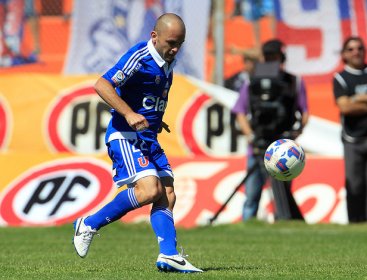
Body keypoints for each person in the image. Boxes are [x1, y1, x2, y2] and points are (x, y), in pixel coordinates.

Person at [72, 13, 202, 273]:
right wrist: (130, 114)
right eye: (171, 42)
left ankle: (169, 255)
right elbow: (103, 84)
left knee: (167, 193)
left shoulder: (168, 63)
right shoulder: (140, 57)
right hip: (125, 135)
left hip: (147, 136)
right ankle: (88, 224)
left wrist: (156, 121)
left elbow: (149, 98)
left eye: (180, 44)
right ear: (154, 36)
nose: (175, 49)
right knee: (149, 190)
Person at [232, 39, 309, 221]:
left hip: (284, 150)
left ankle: (283, 224)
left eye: (274, 57)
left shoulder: (294, 82)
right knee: (251, 195)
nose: (271, 61)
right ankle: (247, 225)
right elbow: (240, 112)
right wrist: (250, 136)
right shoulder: (251, 82)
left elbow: (304, 112)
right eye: (268, 57)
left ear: (281, 57)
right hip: (257, 146)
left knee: (282, 196)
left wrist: (296, 132)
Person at [332, 36, 367, 223]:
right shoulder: (340, 78)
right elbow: (345, 107)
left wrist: (355, 98)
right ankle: (355, 223)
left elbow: (349, 102)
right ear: (344, 54)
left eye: (359, 48)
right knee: (355, 185)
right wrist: (365, 99)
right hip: (353, 139)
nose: (356, 52)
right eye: (351, 49)